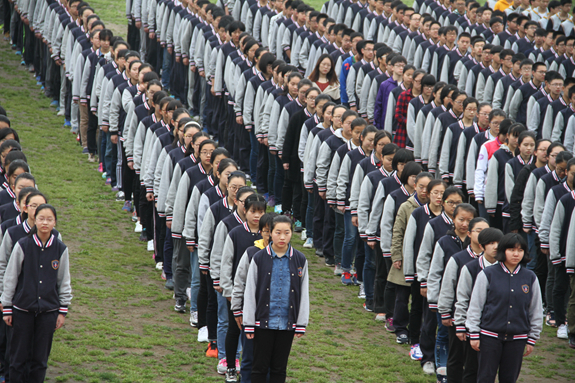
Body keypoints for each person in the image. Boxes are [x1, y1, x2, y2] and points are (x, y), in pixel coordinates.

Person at [1, 204, 72, 383]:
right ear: (34, 220)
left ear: (55, 222)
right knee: (17, 359)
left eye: (49, 219)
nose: (45, 223)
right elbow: (11, 278)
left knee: (40, 360)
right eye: (41, 218)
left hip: (48, 312)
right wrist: (7, 307)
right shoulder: (23, 245)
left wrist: (62, 311)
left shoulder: (60, 249)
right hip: (22, 311)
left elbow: (63, 281)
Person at [467, 233, 543, 383]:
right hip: (489, 337)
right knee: (485, 377)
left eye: (520, 250)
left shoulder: (530, 277)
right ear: (503, 251)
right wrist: (474, 333)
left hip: (517, 339)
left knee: (509, 379)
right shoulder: (487, 274)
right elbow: (476, 306)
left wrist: (532, 337)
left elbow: (535, 310)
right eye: (511, 249)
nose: (516, 254)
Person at [243, 215, 309, 383]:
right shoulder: (258, 258)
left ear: (292, 233)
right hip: (263, 323)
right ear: (269, 233)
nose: (282, 237)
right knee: (259, 368)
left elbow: (304, 293)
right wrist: (249, 324)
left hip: (287, 324)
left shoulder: (300, 259)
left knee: (279, 369)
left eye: (286, 232)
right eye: (277, 232)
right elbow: (250, 291)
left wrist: (301, 323)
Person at [220, 194, 266, 382]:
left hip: (259, 297)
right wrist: (229, 291)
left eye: (261, 212)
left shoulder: (268, 236)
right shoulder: (236, 233)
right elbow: (226, 262)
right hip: (238, 292)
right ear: (245, 211)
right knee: (234, 329)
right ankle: (231, 366)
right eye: (253, 211)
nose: (257, 216)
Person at [453, 227, 504, 383]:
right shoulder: (470, 267)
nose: (495, 247)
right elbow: (462, 298)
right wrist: (461, 325)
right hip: (474, 327)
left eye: (498, 243)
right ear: (482, 246)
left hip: (496, 328)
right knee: (471, 367)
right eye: (491, 243)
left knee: (491, 370)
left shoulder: (506, 269)